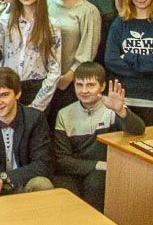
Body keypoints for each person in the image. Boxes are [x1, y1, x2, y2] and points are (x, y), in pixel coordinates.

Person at [52, 62, 144, 211]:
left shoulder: (112, 107)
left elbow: (138, 130)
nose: (84, 91)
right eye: (79, 85)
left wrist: (121, 111)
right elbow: (62, 160)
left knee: (96, 182)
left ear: (102, 86)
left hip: (103, 171)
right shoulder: (64, 114)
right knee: (64, 192)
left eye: (90, 85)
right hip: (76, 170)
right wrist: (95, 164)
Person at [0, 67, 53, 198]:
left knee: (42, 184)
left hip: (24, 182)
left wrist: (5, 177)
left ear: (18, 94)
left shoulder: (35, 119)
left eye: (4, 95)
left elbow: (42, 164)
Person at [0, 0, 61, 112]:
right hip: (8, 86)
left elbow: (54, 68)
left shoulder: (51, 25)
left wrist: (38, 105)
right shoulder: (5, 21)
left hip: (37, 89)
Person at [47, 0, 101, 125]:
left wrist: (68, 77)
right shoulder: (47, 5)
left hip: (71, 83)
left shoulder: (88, 11)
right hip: (45, 80)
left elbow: (87, 50)